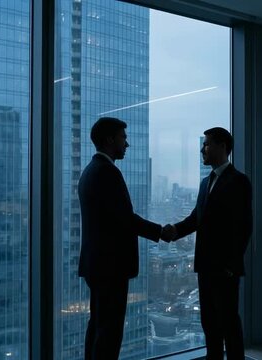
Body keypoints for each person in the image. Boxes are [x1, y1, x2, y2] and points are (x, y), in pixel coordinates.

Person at [162, 127, 252, 359]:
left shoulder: (239, 181)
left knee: (229, 324)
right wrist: (174, 231)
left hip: (225, 269)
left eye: (207, 144)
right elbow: (196, 218)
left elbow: (244, 227)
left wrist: (231, 266)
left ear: (223, 147)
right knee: (209, 323)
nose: (202, 149)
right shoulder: (205, 182)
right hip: (205, 266)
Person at [78, 117, 163, 360]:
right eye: (123, 138)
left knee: (98, 326)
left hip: (98, 265)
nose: (127, 144)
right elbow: (125, 219)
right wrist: (160, 232)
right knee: (110, 332)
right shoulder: (107, 173)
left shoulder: (90, 171)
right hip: (110, 267)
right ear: (109, 140)